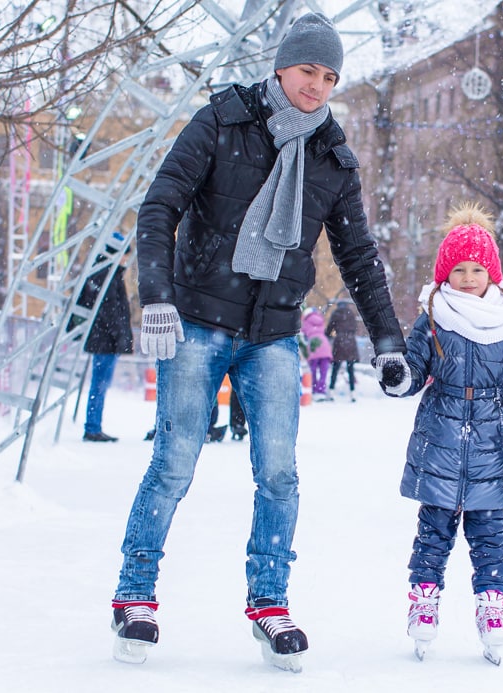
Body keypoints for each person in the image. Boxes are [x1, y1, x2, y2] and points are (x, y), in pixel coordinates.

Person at [110, 13, 408, 672]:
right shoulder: (223, 120)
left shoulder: (331, 156)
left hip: (273, 330)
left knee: (279, 473)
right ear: (282, 65)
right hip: (197, 321)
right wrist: (156, 297)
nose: (317, 86)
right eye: (309, 70)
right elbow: (160, 205)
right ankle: (134, 594)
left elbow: (358, 253)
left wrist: (389, 338)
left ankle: (269, 600)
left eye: (330, 76)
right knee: (174, 462)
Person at [383, 203, 503, 664]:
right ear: (445, 272)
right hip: (440, 438)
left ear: (490, 272)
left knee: (490, 533)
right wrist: (399, 375)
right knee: (432, 531)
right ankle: (424, 600)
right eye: (459, 269)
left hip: (495, 444)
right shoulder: (434, 314)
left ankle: (492, 608)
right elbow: (413, 372)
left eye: (477, 268)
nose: (469, 277)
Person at [75, 233, 134, 443]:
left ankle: (94, 425)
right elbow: (111, 310)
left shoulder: (104, 272)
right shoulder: (107, 274)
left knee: (100, 383)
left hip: (103, 338)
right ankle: (92, 427)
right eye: (124, 255)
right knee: (100, 384)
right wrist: (121, 337)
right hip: (105, 340)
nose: (126, 259)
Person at [325, 299, 359, 401]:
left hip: (339, 342)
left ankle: (331, 392)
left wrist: (328, 336)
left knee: (335, 369)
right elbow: (355, 327)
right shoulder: (351, 314)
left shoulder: (336, 313)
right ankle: (353, 393)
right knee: (351, 369)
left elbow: (330, 328)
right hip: (351, 342)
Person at [299, 308, 333, 401]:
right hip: (325, 345)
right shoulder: (320, 320)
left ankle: (314, 390)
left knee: (313, 370)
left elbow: (301, 333)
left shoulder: (306, 322)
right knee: (324, 372)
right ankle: (321, 391)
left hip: (314, 344)